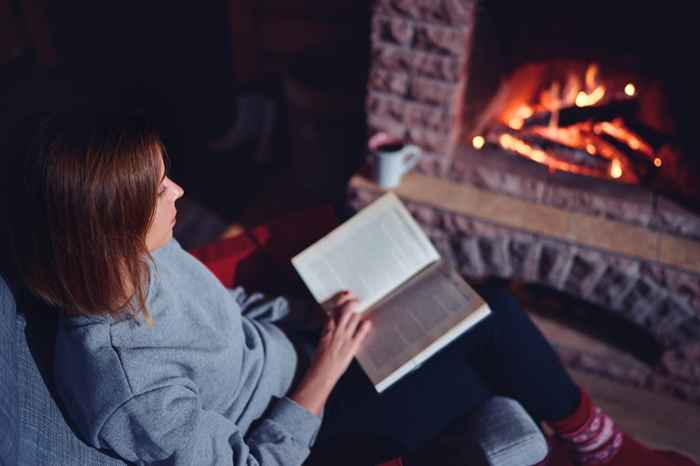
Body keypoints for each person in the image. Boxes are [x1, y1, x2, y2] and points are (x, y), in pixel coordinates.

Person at [3, 109, 696, 466]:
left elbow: (230, 314)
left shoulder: (142, 259)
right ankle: (599, 447)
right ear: (112, 227)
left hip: (304, 356)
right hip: (309, 430)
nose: (179, 191)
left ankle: (598, 441)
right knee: (479, 376)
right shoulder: (125, 384)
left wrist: (313, 314)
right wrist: (324, 373)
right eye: (159, 190)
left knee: (485, 308)